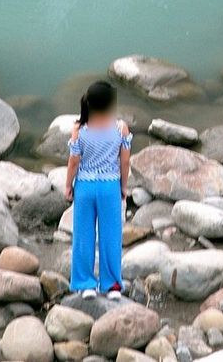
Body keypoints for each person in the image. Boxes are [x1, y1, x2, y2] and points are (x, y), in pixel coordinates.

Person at [65, 80, 131, 299]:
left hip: (85, 187)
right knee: (111, 235)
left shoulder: (80, 129)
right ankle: (111, 285)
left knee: (83, 236)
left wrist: (68, 185)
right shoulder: (120, 128)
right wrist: (123, 186)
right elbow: (124, 161)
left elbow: (74, 161)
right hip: (109, 186)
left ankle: (85, 284)